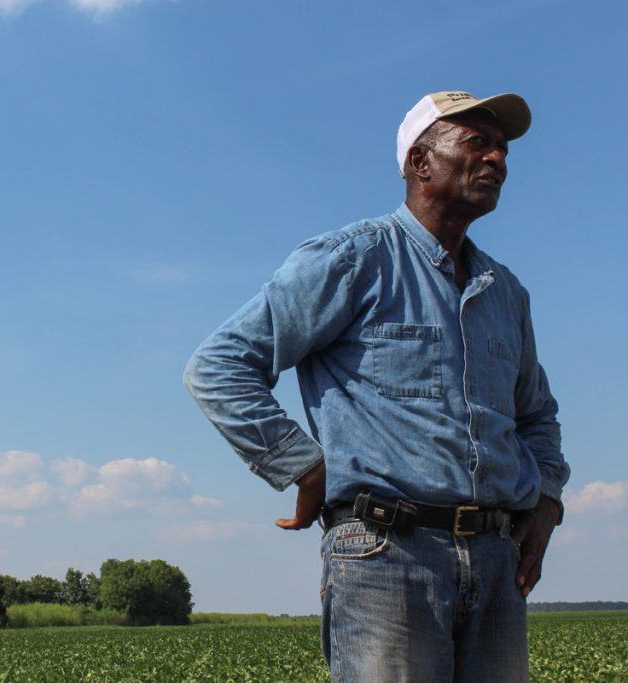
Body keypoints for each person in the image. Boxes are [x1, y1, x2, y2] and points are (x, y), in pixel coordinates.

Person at [183, 90, 570, 682]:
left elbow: (536, 417)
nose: (498, 160)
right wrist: (303, 465)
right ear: (420, 162)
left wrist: (545, 502)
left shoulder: (505, 292)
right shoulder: (353, 259)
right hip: (386, 553)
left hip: (497, 559)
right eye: (478, 144)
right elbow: (220, 364)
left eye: (502, 148)